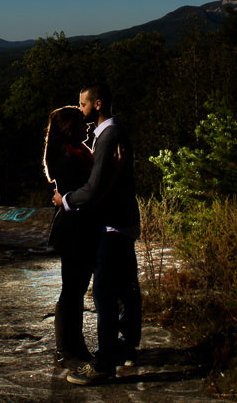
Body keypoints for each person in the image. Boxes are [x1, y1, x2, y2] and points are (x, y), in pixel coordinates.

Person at [52, 83, 142, 386]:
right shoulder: (109, 136)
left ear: (98, 104)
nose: (80, 109)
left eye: (83, 104)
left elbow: (92, 189)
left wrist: (64, 200)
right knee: (124, 287)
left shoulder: (107, 137)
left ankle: (105, 362)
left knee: (104, 293)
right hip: (122, 222)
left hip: (113, 224)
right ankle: (126, 347)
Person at [42, 105, 100, 368]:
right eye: (80, 122)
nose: (86, 125)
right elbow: (83, 193)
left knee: (75, 290)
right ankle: (67, 349)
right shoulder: (70, 156)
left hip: (79, 228)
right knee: (72, 290)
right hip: (75, 229)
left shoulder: (76, 152)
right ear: (69, 127)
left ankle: (74, 346)